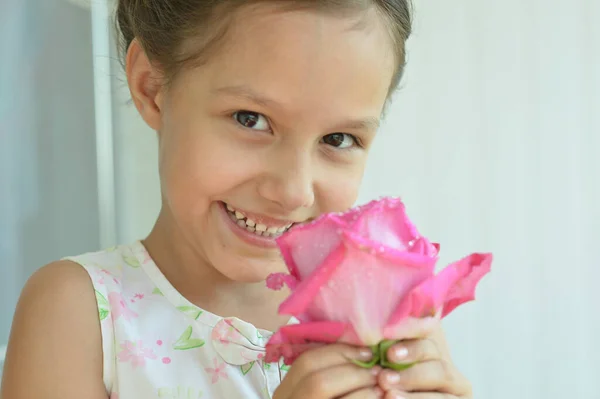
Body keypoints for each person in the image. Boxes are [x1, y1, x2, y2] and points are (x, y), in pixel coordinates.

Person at [1, 1, 474, 398]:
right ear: (152, 87)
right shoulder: (78, 314)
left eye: (338, 138)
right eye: (250, 119)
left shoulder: (373, 320)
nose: (293, 190)